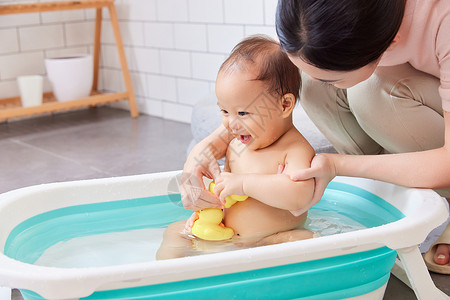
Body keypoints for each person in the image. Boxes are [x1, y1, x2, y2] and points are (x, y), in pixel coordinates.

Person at [181, 0, 450, 274]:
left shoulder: (442, 19)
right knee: (308, 82)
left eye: (331, 79)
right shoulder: (316, 17)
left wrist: (336, 165)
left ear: (391, 43)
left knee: (368, 95)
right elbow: (264, 85)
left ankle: (443, 201)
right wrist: (203, 152)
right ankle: (394, 185)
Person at [157, 35, 315, 259]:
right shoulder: (237, 142)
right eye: (224, 111)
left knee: (302, 240)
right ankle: (166, 281)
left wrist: (244, 183)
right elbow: (222, 192)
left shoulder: (294, 149)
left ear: (284, 105)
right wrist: (206, 211)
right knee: (175, 231)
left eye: (242, 113)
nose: (231, 123)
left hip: (271, 240)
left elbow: (300, 195)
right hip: (226, 236)